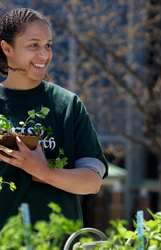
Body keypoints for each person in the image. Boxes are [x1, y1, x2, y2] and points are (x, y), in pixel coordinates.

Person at [0, 8, 108, 229]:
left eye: (48, 46)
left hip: (56, 241)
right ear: (7, 48)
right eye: (34, 45)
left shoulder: (67, 104)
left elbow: (92, 181)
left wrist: (42, 170)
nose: (44, 55)